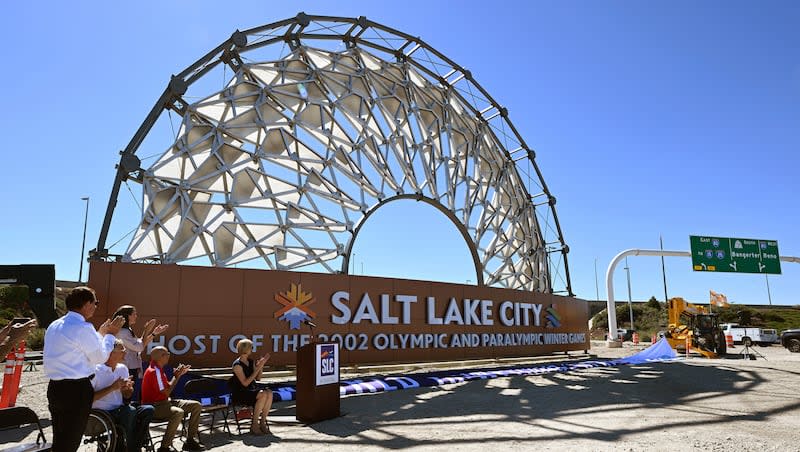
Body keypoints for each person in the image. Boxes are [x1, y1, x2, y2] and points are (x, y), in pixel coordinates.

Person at [43, 286, 125, 452]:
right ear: (87, 304)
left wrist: (101, 334)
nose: (96, 306)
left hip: (55, 387)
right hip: (76, 389)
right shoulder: (83, 328)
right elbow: (100, 357)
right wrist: (110, 334)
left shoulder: (54, 325)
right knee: (71, 440)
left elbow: (80, 349)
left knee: (60, 438)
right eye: (96, 302)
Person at [92, 339, 155, 452]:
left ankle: (133, 446)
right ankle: (130, 448)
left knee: (148, 410)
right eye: (122, 351)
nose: (125, 353)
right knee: (129, 411)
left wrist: (128, 390)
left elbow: (126, 397)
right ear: (110, 353)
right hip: (102, 413)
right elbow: (88, 399)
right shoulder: (95, 370)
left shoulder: (122, 368)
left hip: (119, 409)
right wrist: (112, 387)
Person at [141, 346, 204, 452]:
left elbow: (166, 390)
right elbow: (167, 391)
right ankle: (164, 447)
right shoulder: (154, 371)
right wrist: (176, 376)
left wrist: (177, 375)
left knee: (196, 405)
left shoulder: (158, 369)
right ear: (161, 357)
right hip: (154, 406)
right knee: (178, 413)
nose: (169, 356)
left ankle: (190, 440)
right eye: (167, 354)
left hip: (166, 402)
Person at [113, 305, 168, 400]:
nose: (136, 316)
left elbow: (140, 344)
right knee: (124, 395)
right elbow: (139, 347)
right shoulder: (122, 332)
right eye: (134, 314)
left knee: (128, 395)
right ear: (128, 316)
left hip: (130, 367)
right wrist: (146, 330)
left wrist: (154, 333)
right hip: (126, 367)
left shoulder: (127, 330)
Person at [230, 338, 273, 435]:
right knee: (262, 394)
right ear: (245, 349)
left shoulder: (250, 361)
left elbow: (258, 378)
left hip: (251, 390)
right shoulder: (237, 365)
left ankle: (262, 422)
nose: (252, 349)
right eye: (251, 347)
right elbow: (245, 383)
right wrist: (257, 369)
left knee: (269, 393)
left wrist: (260, 367)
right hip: (241, 393)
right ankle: (254, 425)